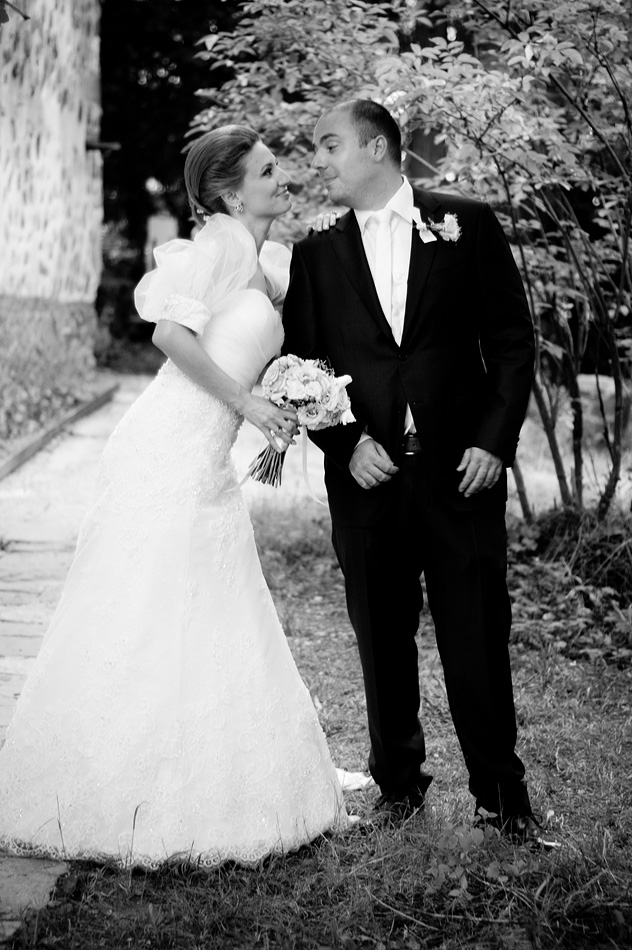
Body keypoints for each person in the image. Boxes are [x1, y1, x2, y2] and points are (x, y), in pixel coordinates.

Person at [0, 126, 349, 868]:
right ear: (230, 192)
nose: (282, 177)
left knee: (213, 601)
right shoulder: (218, 246)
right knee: (148, 604)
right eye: (267, 170)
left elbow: (255, 346)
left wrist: (291, 395)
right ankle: (120, 782)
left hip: (207, 454)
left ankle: (224, 773)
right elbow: (169, 335)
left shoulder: (267, 262)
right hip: (168, 445)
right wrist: (248, 403)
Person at [282, 99, 543, 843]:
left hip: (462, 474)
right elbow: (300, 363)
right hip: (368, 480)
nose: (321, 159)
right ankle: (399, 790)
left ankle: (503, 801)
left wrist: (493, 443)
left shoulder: (467, 223)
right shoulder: (316, 251)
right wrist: (345, 444)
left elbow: (512, 341)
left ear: (376, 147)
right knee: (381, 640)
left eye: (330, 144)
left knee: (478, 638)